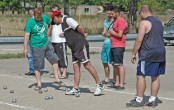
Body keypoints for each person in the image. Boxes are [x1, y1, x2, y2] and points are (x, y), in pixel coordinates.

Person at [51, 11, 104, 96]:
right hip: (74, 48)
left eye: (53, 20)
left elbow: (79, 27)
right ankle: (76, 89)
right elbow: (71, 32)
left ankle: (99, 84)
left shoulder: (68, 20)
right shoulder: (62, 24)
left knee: (87, 65)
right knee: (76, 67)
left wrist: (83, 35)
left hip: (80, 46)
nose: (54, 23)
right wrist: (64, 34)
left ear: (57, 17)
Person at [126, 5, 166, 107]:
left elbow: (139, 40)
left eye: (139, 13)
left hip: (148, 53)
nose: (139, 15)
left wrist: (134, 53)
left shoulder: (144, 22)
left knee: (140, 76)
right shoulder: (159, 22)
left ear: (143, 11)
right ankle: (152, 100)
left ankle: (139, 100)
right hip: (160, 52)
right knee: (155, 77)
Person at [23, 8, 64, 90]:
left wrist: (49, 32)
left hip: (46, 43)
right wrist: (25, 49)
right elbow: (26, 36)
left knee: (55, 60)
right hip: (36, 46)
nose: (39, 19)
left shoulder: (44, 17)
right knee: (38, 66)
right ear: (34, 15)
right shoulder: (30, 22)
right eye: (37, 18)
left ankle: (56, 78)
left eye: (40, 17)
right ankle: (39, 84)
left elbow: (50, 24)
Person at [108, 6, 127, 90]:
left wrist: (111, 32)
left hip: (119, 46)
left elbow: (119, 35)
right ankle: (116, 82)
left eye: (112, 14)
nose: (111, 15)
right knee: (114, 65)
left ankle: (121, 84)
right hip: (113, 45)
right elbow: (111, 33)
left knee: (119, 65)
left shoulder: (121, 21)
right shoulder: (114, 21)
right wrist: (107, 33)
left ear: (117, 13)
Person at [49, 5, 68, 79]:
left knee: (62, 56)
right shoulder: (53, 18)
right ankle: (58, 72)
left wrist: (64, 33)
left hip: (61, 40)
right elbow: (51, 27)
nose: (53, 12)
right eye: (52, 11)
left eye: (55, 11)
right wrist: (49, 36)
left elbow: (68, 27)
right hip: (53, 40)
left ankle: (64, 72)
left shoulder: (64, 17)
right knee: (55, 57)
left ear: (59, 10)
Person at [101, 8, 114, 84]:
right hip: (105, 43)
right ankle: (107, 78)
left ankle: (115, 78)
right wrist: (104, 32)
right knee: (104, 61)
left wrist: (106, 33)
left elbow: (110, 34)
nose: (108, 15)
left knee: (112, 62)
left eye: (109, 13)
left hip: (111, 43)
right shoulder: (106, 21)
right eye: (107, 13)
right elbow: (105, 31)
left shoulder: (114, 22)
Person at [25, 9, 35, 75]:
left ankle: (36, 69)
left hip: (36, 40)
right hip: (30, 40)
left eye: (31, 12)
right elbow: (26, 31)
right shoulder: (29, 21)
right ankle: (32, 70)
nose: (30, 13)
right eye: (30, 13)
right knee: (30, 56)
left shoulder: (39, 20)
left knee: (35, 56)